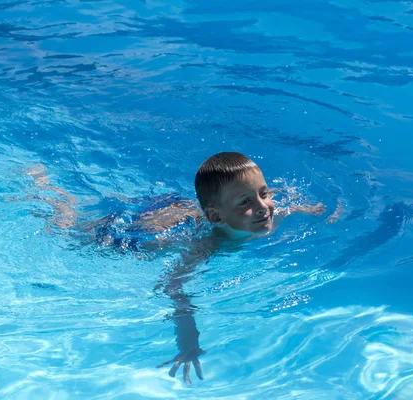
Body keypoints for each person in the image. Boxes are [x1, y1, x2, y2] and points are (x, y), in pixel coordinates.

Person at [26, 152, 332, 385]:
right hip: (138, 230)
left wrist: (320, 212)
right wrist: (189, 343)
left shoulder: (269, 214)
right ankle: (48, 191)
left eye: (263, 194)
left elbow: (290, 205)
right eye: (245, 202)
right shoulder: (209, 245)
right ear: (216, 217)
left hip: (182, 206)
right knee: (70, 235)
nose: (264, 206)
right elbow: (173, 287)